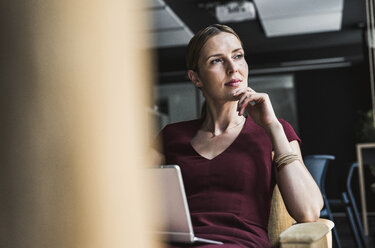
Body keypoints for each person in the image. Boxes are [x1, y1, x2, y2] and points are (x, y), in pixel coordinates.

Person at [154, 24, 323, 248]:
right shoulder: (171, 136)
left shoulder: (275, 130)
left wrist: (271, 125)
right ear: (195, 78)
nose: (233, 68)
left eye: (238, 56)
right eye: (216, 60)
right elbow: (122, 193)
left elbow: (309, 211)